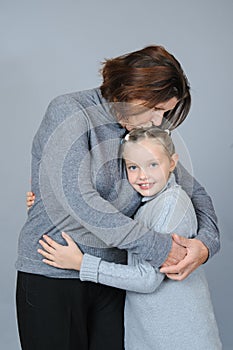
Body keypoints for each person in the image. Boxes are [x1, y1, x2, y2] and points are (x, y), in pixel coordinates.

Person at [16, 45, 220, 350]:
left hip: (112, 279)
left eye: (164, 113)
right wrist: (162, 249)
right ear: (131, 88)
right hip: (54, 272)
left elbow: (195, 192)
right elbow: (79, 200)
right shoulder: (70, 111)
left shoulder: (143, 131)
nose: (157, 121)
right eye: (155, 108)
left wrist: (204, 245)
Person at [36, 126, 222, 349]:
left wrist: (82, 264)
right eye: (133, 167)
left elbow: (147, 279)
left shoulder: (172, 206)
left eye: (153, 164)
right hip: (152, 335)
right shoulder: (147, 202)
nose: (143, 176)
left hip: (179, 339)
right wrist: (42, 201)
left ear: (173, 163)